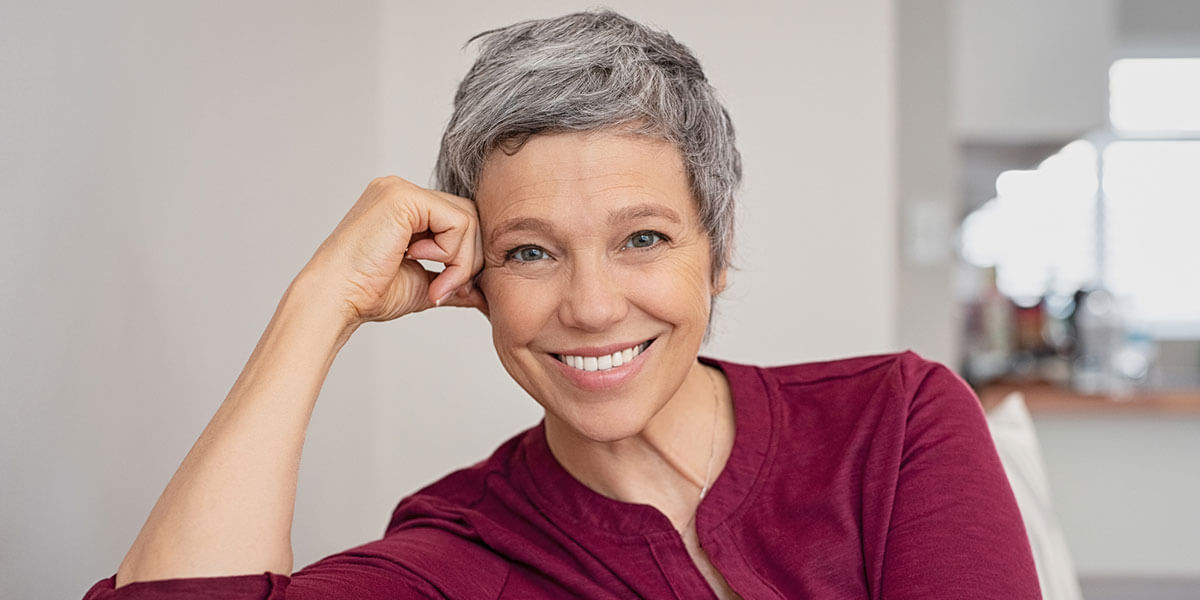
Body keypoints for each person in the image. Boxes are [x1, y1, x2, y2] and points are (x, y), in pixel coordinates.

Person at [83, 10, 1040, 600]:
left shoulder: (897, 419)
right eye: (531, 252)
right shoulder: (459, 544)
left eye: (643, 239)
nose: (589, 306)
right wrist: (320, 301)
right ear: (475, 284)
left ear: (720, 250)